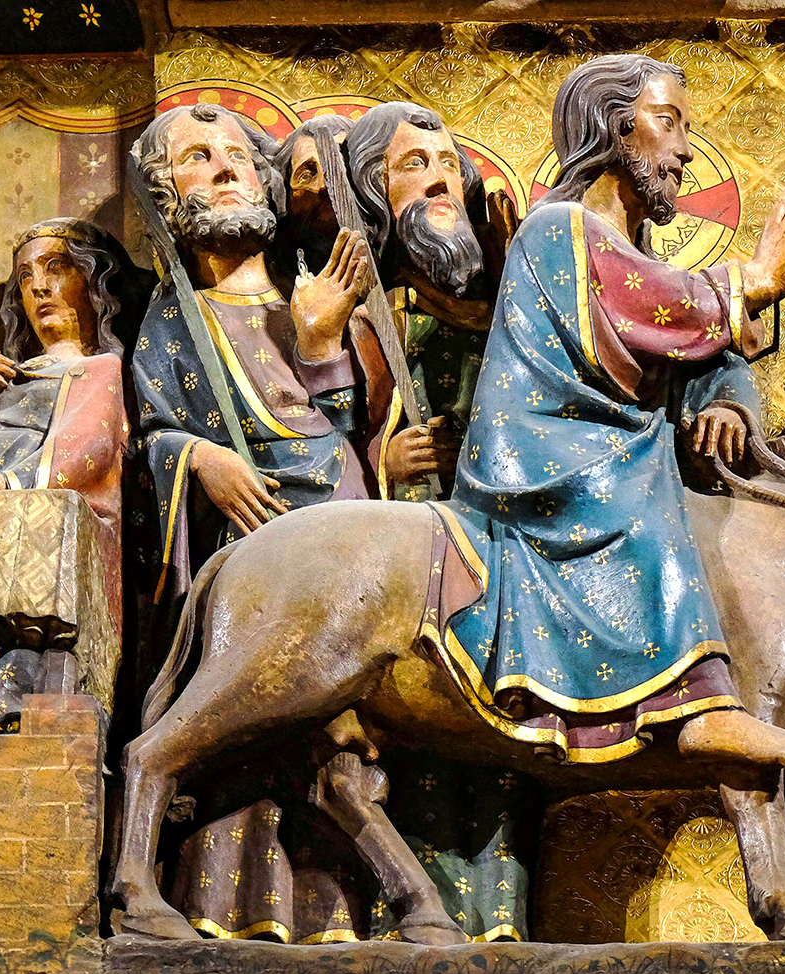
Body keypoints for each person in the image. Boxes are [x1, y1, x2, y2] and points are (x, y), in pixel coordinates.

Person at [428, 53, 785, 767]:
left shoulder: (628, 249)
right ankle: (699, 703)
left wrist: (727, 400)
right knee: (640, 479)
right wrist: (760, 277)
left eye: (685, 128)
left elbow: (697, 347)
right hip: (546, 452)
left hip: (598, 444)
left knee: (655, 469)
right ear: (614, 129)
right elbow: (651, 303)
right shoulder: (561, 229)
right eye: (666, 123)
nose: (684, 150)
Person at [130, 102, 383, 601]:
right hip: (251, 531)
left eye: (237, 156)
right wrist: (200, 457)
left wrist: (320, 343)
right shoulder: (172, 320)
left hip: (351, 510)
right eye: (196, 158)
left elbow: (358, 429)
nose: (224, 169)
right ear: (167, 194)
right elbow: (149, 439)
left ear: (262, 182)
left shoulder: (323, 296)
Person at [0, 218, 148, 730]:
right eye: (26, 276)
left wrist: (7, 486)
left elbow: (87, 450)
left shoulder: (99, 370)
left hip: (33, 515)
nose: (39, 286)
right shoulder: (1, 375)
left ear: (96, 283)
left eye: (57, 268)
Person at [272, 113, 457, 498]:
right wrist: (382, 461)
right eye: (307, 173)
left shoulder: (409, 298)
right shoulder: (275, 305)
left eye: (342, 168)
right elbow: (288, 442)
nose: (328, 186)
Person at [344, 102, 510, 500]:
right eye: (414, 164)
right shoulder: (378, 319)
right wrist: (386, 458)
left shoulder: (510, 301)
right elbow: (333, 434)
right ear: (374, 192)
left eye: (449, 164)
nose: (440, 182)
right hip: (414, 520)